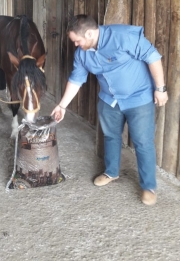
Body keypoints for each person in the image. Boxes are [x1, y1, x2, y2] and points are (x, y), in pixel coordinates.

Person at [51, 15, 168, 206]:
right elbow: (76, 79)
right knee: (111, 136)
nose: (76, 45)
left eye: (77, 41)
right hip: (109, 99)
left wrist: (160, 88)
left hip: (138, 97)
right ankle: (111, 172)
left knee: (143, 142)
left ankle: (149, 186)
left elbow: (153, 57)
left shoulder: (123, 36)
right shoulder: (82, 53)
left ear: (89, 33)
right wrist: (62, 105)